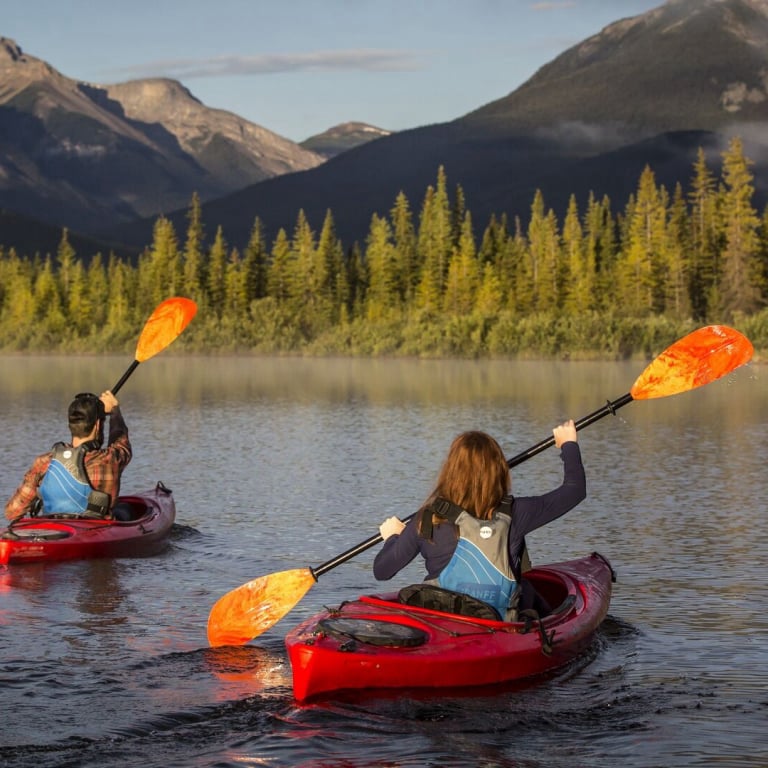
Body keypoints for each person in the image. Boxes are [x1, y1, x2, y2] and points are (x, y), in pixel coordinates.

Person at [373, 421, 585, 621]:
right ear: (499, 471)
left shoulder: (428, 517)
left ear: (450, 471)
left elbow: (382, 571)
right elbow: (574, 490)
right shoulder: (517, 512)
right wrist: (568, 444)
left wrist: (393, 537)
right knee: (527, 590)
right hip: (498, 624)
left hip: (442, 620)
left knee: (527, 587)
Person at [4, 391, 133, 521]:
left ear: (70, 426)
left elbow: (12, 512)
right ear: (98, 425)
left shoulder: (43, 463)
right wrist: (115, 410)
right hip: (96, 530)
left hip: (52, 528)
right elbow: (121, 441)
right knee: (125, 508)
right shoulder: (109, 460)